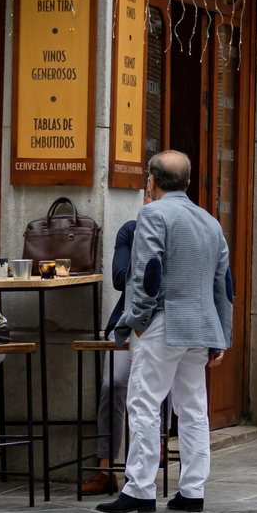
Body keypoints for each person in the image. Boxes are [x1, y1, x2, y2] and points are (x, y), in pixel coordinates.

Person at [99, 151, 231, 513]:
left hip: (164, 320)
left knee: (143, 403)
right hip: (201, 326)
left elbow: (147, 273)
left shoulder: (153, 213)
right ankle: (192, 490)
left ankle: (140, 490)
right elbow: (224, 284)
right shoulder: (210, 222)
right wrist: (221, 335)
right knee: (192, 408)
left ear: (151, 182)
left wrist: (137, 320)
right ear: (188, 182)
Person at [83, 209, 143, 496]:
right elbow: (119, 277)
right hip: (127, 325)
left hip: (169, 326)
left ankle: (145, 462)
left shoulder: (182, 230)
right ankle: (106, 468)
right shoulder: (131, 231)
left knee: (158, 386)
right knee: (113, 383)